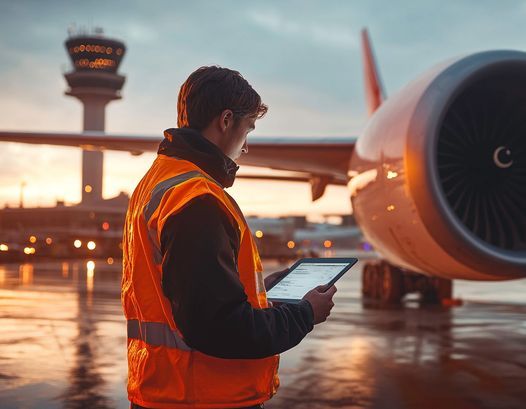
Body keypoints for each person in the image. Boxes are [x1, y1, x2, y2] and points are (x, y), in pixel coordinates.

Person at [121, 66, 337, 409]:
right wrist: (305, 314)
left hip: (166, 390)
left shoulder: (159, 183)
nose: (246, 146)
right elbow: (218, 327)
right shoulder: (198, 199)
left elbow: (186, 296)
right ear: (225, 121)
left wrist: (263, 291)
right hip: (204, 396)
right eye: (248, 128)